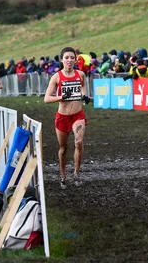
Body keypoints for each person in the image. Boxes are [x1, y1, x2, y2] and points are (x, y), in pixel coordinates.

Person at [44, 47, 91, 189]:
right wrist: (61, 97)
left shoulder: (81, 74)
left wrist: (85, 96)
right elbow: (46, 98)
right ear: (62, 59)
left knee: (79, 142)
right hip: (63, 116)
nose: (69, 60)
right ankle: (63, 175)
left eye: (72, 57)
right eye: (67, 57)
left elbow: (83, 88)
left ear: (75, 59)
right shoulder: (56, 77)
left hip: (78, 115)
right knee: (63, 148)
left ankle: (76, 174)